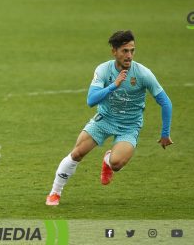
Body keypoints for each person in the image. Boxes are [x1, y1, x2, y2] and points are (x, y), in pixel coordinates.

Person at [46, 30, 173, 206]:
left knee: (117, 164)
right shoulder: (103, 70)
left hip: (129, 126)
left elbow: (166, 102)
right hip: (105, 119)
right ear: (114, 51)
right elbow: (91, 100)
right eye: (125, 51)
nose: (129, 56)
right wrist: (114, 85)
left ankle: (108, 160)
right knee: (77, 153)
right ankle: (55, 193)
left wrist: (165, 133)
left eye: (132, 51)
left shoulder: (143, 74)